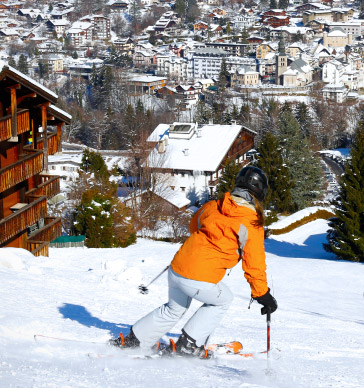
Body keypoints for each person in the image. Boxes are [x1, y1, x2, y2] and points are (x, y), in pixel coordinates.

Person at [110, 166, 277, 358]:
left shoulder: (214, 205)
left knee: (174, 308)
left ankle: (135, 340)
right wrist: (262, 294)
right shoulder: (251, 223)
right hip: (198, 277)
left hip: (178, 267)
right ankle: (188, 346)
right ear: (260, 193)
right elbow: (254, 263)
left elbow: (194, 226)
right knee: (223, 300)